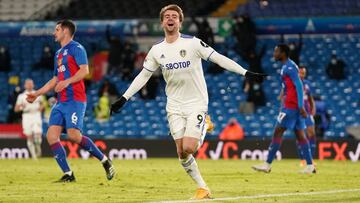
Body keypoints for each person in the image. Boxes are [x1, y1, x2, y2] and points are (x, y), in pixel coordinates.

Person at [110, 4, 266, 199]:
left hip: (196, 103)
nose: (170, 18)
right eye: (167, 16)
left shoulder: (193, 43)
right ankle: (203, 188)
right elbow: (143, 76)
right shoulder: (157, 50)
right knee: (182, 153)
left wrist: (246, 73)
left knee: (189, 147)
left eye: (174, 16)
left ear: (180, 22)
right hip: (174, 105)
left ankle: (205, 123)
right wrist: (124, 97)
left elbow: (218, 58)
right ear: (162, 22)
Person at [26, 19, 115, 182]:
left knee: (74, 136)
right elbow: (55, 79)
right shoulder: (58, 54)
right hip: (61, 102)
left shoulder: (77, 48)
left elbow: (84, 71)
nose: (54, 32)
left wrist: (67, 82)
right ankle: (68, 174)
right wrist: (37, 93)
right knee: (52, 136)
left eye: (57, 29)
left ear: (65, 31)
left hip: (75, 99)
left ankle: (105, 161)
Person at [252, 44, 316, 174]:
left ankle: (267, 164)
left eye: (276, 52)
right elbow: (290, 87)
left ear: (283, 53)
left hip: (292, 106)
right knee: (300, 135)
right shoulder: (287, 66)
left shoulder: (290, 67)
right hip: (292, 105)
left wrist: (300, 106)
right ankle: (310, 165)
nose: (274, 54)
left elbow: (299, 85)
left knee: (278, 131)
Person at [14, 79, 44, 159]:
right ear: (25, 85)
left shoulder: (38, 94)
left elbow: (43, 105)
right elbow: (16, 109)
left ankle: (38, 147)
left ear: (33, 85)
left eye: (31, 83)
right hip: (26, 116)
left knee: (38, 134)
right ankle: (34, 156)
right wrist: (21, 107)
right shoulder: (21, 96)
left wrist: (40, 108)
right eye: (28, 84)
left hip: (36, 115)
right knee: (29, 135)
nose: (30, 85)